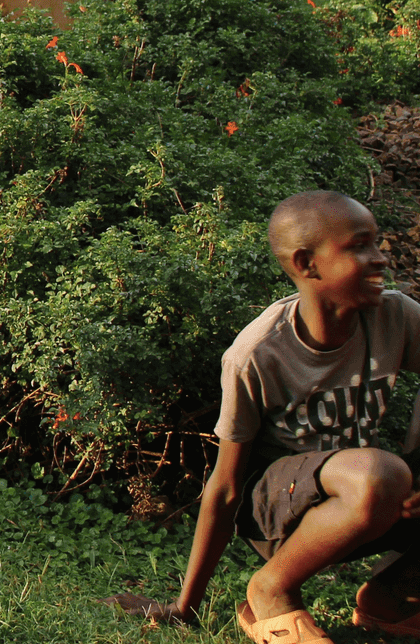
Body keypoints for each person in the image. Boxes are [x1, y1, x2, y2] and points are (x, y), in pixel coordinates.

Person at [112, 190, 420, 640]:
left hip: (358, 498)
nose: (379, 259)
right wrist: (185, 605)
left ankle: (391, 600)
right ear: (306, 264)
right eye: (358, 246)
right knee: (380, 472)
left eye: (376, 243)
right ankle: (272, 590)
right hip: (278, 512)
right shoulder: (258, 354)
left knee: (385, 475)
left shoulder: (397, 316)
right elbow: (226, 485)